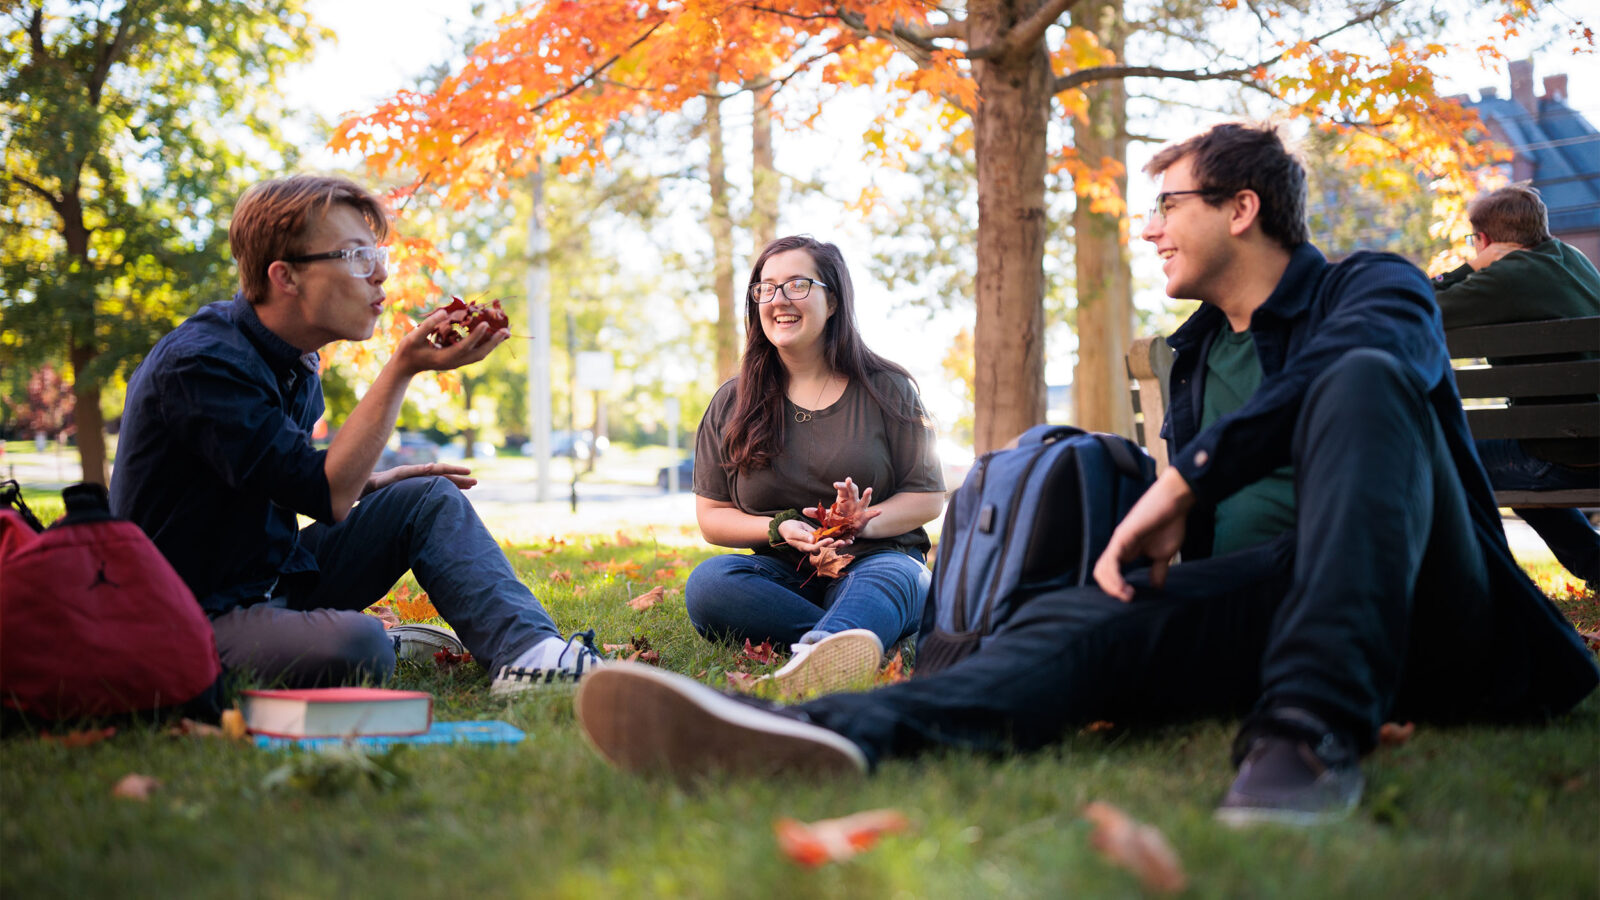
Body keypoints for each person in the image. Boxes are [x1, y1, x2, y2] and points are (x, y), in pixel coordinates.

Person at [573, 124, 1599, 825]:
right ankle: (793, 733)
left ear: (1241, 208)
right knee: (1074, 625)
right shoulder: (1195, 353)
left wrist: (1180, 477)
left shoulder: (1369, 286)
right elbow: (1217, 535)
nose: (1149, 227)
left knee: (1363, 385)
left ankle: (1307, 735)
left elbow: (1345, 381)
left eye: (1169, 205)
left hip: (1439, 608)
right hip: (1276, 604)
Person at [111, 175, 602, 692]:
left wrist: (370, 483)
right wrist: (404, 367)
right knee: (361, 647)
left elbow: (284, 476)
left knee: (425, 497)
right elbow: (326, 493)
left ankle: (530, 654)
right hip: (188, 613)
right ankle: (375, 640)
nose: (381, 274)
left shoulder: (296, 361)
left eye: (376, 254)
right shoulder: (203, 364)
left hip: (270, 577)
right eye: (354, 256)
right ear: (286, 277)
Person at [684, 235, 945, 696]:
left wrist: (862, 524)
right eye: (765, 288)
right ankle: (852, 642)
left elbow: (926, 496)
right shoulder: (732, 401)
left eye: (797, 285)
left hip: (875, 561)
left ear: (834, 300)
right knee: (710, 583)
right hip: (786, 578)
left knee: (898, 576)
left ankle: (823, 650)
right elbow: (712, 516)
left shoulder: (888, 388)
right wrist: (779, 527)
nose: (778, 299)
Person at [1431, 184, 1600, 588]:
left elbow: (1414, 303)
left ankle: (1469, 587)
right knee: (1513, 469)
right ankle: (1596, 567)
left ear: (1484, 239)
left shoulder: (1505, 277)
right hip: (1586, 443)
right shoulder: (1571, 259)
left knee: (1434, 458)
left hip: (1564, 454)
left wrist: (1471, 267)